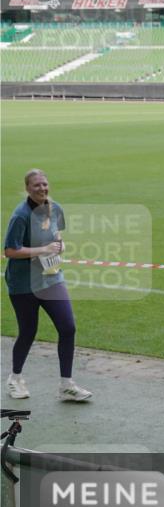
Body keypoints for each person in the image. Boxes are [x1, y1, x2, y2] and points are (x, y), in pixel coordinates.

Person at [3, 169, 92, 402]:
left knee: (67, 327)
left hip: (51, 279)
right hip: (23, 284)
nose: (42, 188)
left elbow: (56, 235)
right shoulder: (20, 216)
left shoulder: (56, 209)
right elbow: (10, 250)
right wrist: (42, 250)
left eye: (44, 184)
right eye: (36, 186)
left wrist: (59, 245)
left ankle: (66, 385)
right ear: (27, 189)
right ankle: (15, 378)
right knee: (28, 331)